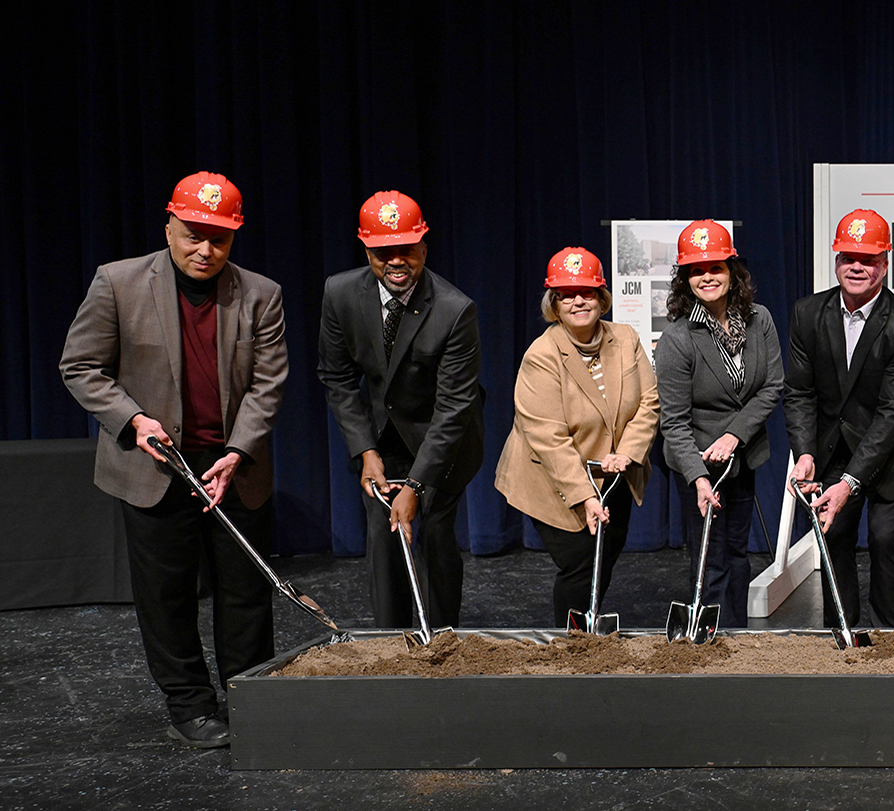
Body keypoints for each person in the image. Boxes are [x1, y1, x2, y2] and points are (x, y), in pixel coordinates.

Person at [59, 171, 286, 748]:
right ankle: (189, 704)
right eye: (192, 235)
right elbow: (81, 367)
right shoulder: (118, 282)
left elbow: (267, 385)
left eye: (219, 238)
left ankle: (249, 695)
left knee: (244, 592)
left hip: (236, 466)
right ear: (169, 226)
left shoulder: (261, 293)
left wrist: (237, 451)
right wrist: (133, 420)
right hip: (155, 466)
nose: (205, 250)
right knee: (168, 596)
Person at [317, 190, 484, 629]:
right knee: (383, 535)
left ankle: (440, 640)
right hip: (382, 438)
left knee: (429, 532)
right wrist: (366, 452)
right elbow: (336, 378)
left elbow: (454, 407)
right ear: (367, 250)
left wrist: (415, 485)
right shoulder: (340, 293)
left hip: (443, 440)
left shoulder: (454, 310)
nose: (395, 261)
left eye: (406, 250)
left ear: (423, 249)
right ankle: (391, 644)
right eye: (382, 251)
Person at [495, 248, 660, 627]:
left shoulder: (626, 337)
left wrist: (629, 454)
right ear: (554, 303)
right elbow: (548, 436)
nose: (577, 300)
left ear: (601, 296)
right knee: (582, 560)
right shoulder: (542, 355)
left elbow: (648, 402)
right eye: (566, 294)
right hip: (553, 477)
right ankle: (571, 647)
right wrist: (585, 495)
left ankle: (589, 626)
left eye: (586, 291)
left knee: (604, 557)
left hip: (615, 472)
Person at [786, 210, 894, 629]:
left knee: (885, 540)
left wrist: (849, 482)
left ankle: (887, 637)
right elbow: (798, 391)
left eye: (868, 260)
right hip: (830, 449)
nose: (857, 268)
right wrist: (805, 451)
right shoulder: (808, 314)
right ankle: (841, 636)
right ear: (836, 262)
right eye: (849, 258)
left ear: (885, 263)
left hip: (890, 455)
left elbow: (892, 414)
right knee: (834, 537)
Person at [654, 220, 783, 628]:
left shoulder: (760, 320)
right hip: (697, 463)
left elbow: (772, 385)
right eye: (696, 270)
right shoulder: (678, 337)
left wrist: (734, 435)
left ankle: (738, 635)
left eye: (716, 267)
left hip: (743, 457)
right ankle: (708, 640)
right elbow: (672, 422)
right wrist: (698, 477)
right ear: (685, 279)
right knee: (708, 557)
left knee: (738, 552)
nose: (707, 276)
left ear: (732, 272)